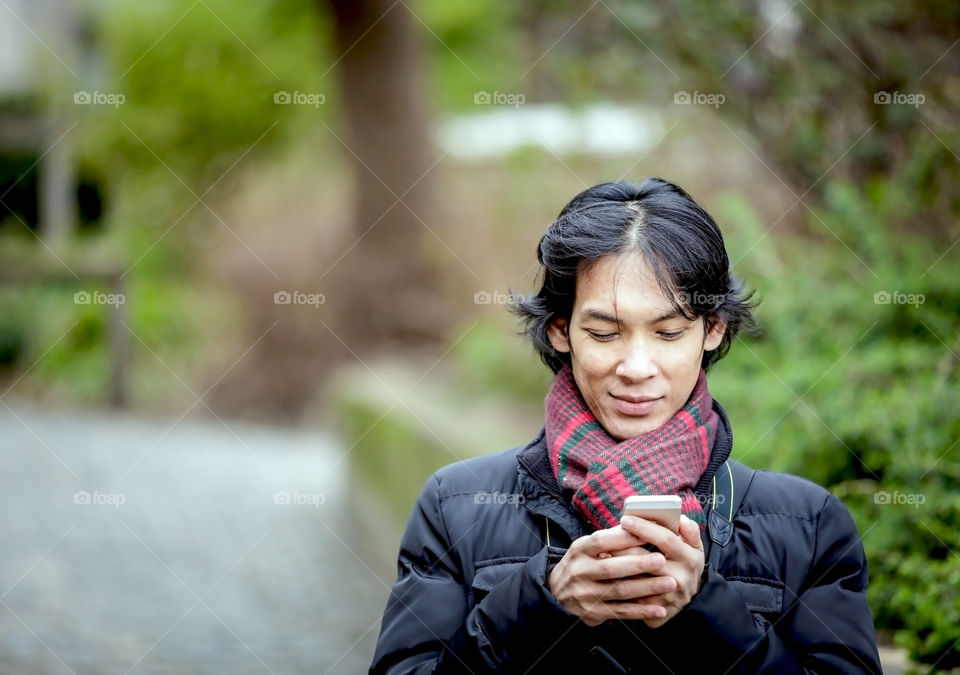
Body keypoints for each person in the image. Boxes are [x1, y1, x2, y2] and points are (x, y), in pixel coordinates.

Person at [369, 178, 882, 673]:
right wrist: (542, 604)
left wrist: (705, 611)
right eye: (604, 332)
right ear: (560, 331)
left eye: (668, 332)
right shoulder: (455, 507)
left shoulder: (809, 526)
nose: (637, 368)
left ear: (712, 329)